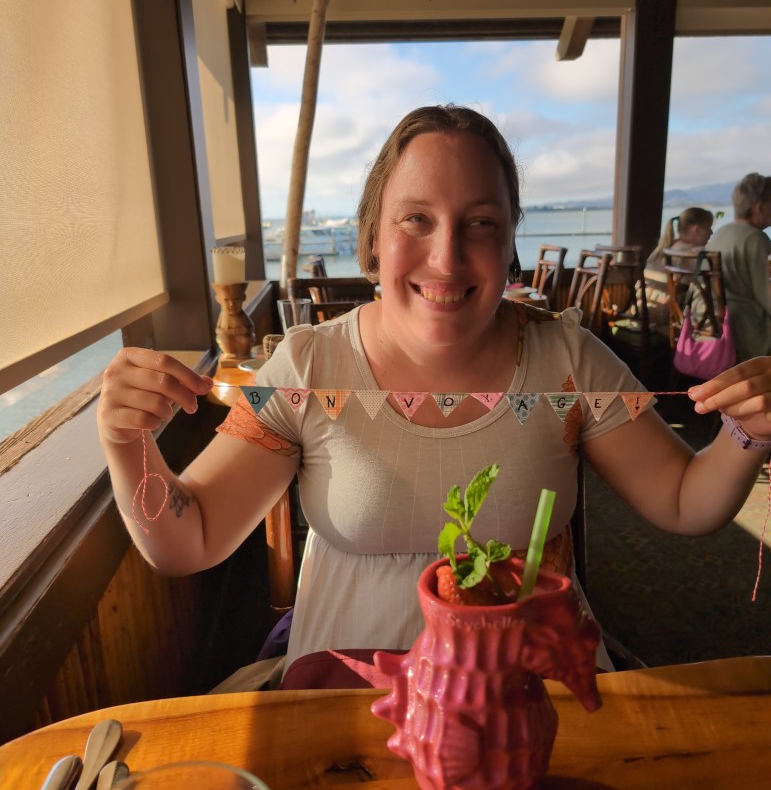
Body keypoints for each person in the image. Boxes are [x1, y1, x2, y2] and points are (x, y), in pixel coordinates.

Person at [97, 106, 771, 686]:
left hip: (532, 690)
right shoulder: (308, 363)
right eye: (415, 219)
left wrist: (749, 433)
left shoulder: (566, 358)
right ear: (371, 236)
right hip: (346, 693)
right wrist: (125, 443)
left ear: (510, 240)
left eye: (479, 222)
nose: (446, 257)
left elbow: (683, 500)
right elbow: (190, 538)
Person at [706, 173, 771, 362]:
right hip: (747, 330)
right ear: (759, 207)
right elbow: (765, 295)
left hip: (717, 325)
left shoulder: (720, 233)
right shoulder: (756, 238)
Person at [647, 206, 715, 268]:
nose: (711, 232)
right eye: (708, 228)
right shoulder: (693, 253)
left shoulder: (669, 247)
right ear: (696, 230)